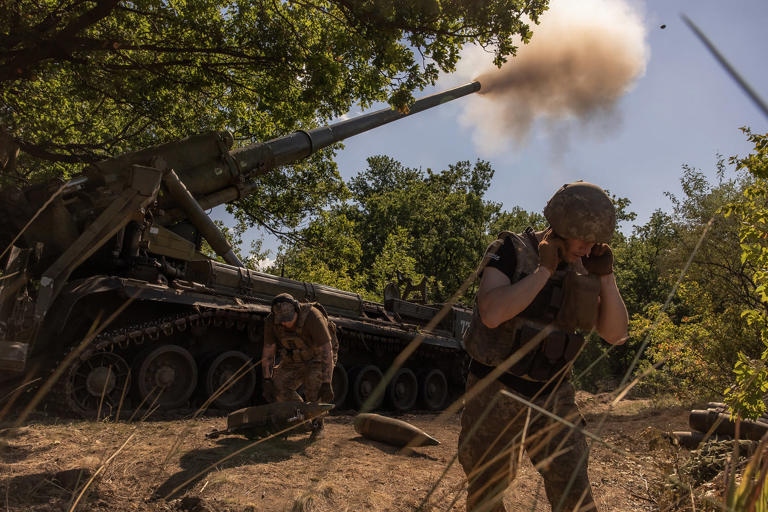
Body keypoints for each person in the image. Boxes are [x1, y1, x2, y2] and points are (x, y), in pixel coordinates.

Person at [458, 181, 629, 512]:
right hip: (497, 391)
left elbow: (616, 335)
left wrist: (606, 279)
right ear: (561, 226)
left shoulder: (586, 267)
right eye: (583, 237)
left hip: (553, 396)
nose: (588, 246)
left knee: (574, 491)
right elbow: (491, 314)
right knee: (486, 492)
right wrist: (543, 271)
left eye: (596, 240)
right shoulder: (510, 250)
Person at [261, 293, 336, 438]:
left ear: (296, 310)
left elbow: (327, 351)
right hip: (294, 358)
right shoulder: (272, 322)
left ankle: (318, 424)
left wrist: (327, 382)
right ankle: (301, 421)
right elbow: (268, 353)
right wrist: (267, 380)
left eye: (289, 319)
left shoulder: (312, 317)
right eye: (282, 320)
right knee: (278, 387)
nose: (286, 324)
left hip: (318, 357)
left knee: (314, 384)